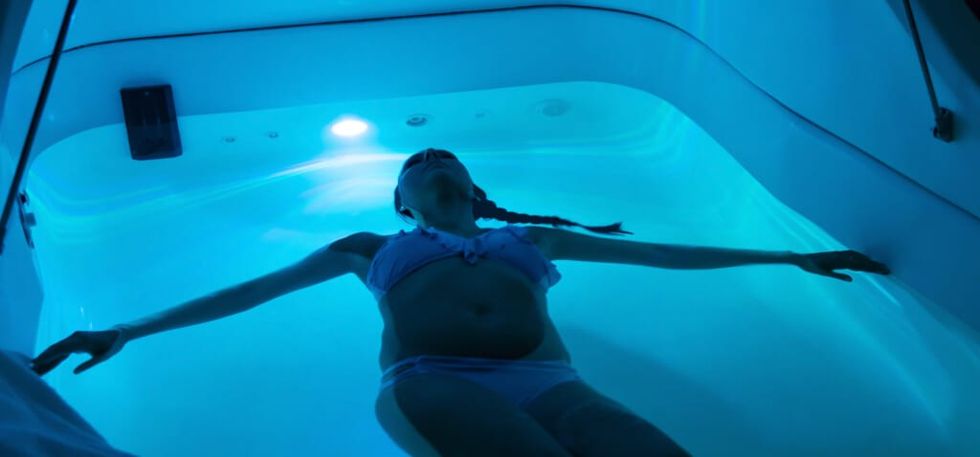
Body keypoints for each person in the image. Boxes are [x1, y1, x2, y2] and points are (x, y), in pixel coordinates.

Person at [30, 148, 891, 456]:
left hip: (554, 379)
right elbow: (248, 292)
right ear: (405, 200)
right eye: (417, 163)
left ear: (475, 188)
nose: (434, 160)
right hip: (433, 375)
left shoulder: (530, 242)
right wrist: (126, 328)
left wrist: (789, 252)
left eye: (447, 158)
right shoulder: (375, 249)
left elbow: (661, 253)